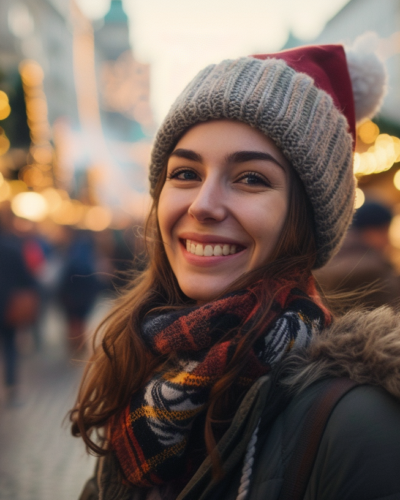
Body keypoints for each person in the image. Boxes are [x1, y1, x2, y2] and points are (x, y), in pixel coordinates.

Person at [71, 34, 400, 500]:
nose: (203, 205)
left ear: (305, 219)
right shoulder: (138, 367)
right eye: (185, 173)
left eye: (251, 178)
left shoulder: (358, 424)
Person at [316, 200, 400, 309]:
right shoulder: (372, 267)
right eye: (384, 231)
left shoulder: (333, 256)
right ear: (369, 230)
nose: (387, 240)